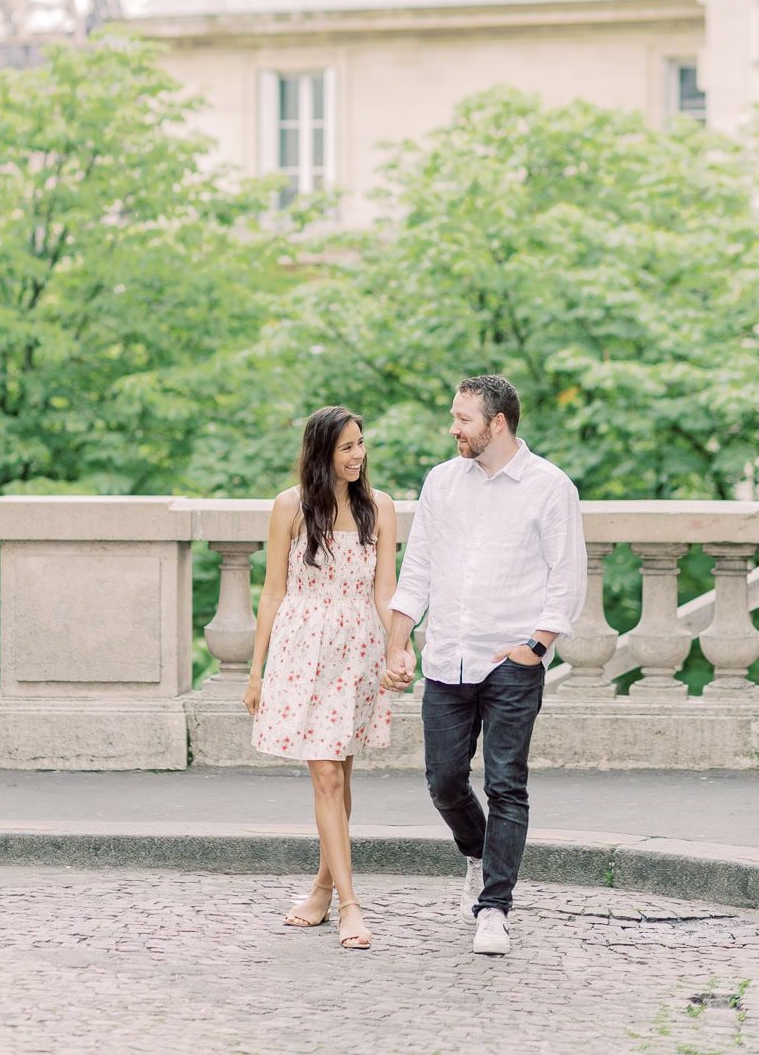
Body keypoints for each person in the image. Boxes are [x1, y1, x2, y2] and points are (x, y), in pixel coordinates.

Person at [382, 375, 585, 957]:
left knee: (505, 783)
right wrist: (400, 642)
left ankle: (494, 906)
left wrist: (537, 646)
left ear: (496, 423)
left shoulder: (549, 487)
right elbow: (416, 569)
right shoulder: (442, 482)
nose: (454, 428)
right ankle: (477, 850)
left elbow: (566, 577)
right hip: (447, 656)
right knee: (443, 781)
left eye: (463, 419)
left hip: (512, 661)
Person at [244, 404, 396, 950]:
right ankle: (350, 906)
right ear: (321, 452)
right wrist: (256, 671)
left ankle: (320, 888)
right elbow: (272, 591)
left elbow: (385, 594)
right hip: (302, 647)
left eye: (362, 444)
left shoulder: (380, 507)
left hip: (358, 651)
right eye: (347, 447)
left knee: (342, 777)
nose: (359, 456)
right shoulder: (290, 505)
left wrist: (399, 649)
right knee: (327, 776)